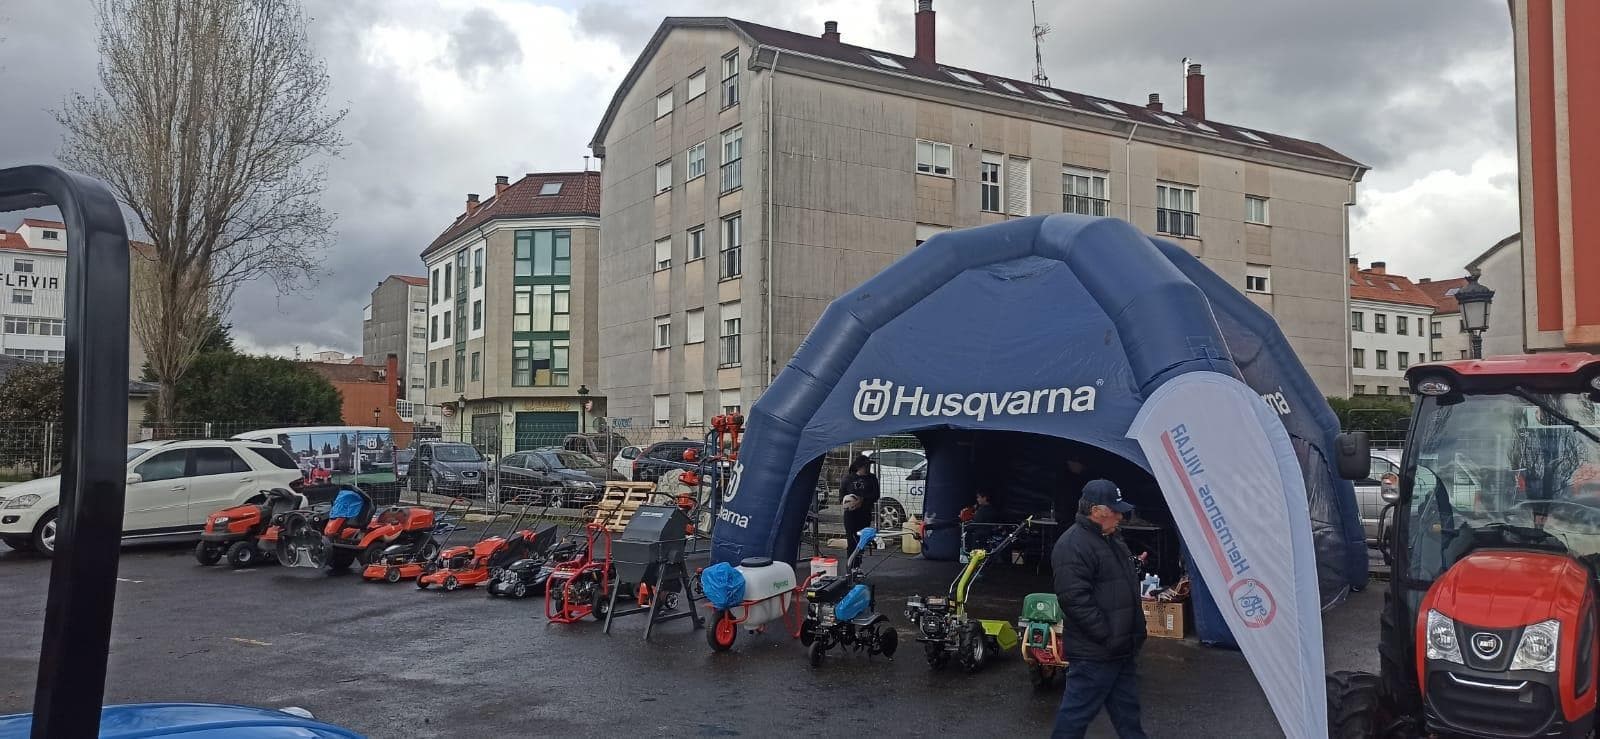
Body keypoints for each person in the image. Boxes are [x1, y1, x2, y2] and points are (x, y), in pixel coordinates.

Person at [1051, 479, 1148, 739]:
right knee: (1075, 715)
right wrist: (1107, 635)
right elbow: (1074, 599)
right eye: (1116, 510)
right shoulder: (1073, 545)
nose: (1121, 515)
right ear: (1097, 511)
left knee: (1128, 713)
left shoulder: (1111, 538)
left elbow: (1114, 580)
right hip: (1096, 652)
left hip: (1119, 648)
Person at [840, 456, 880, 552]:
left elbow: (876, 495)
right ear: (859, 467)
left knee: (861, 540)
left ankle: (858, 563)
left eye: (869, 465)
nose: (867, 468)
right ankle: (851, 564)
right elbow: (842, 495)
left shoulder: (872, 478)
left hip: (865, 513)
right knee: (851, 540)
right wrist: (847, 503)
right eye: (865, 466)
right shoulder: (848, 478)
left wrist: (862, 500)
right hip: (851, 515)